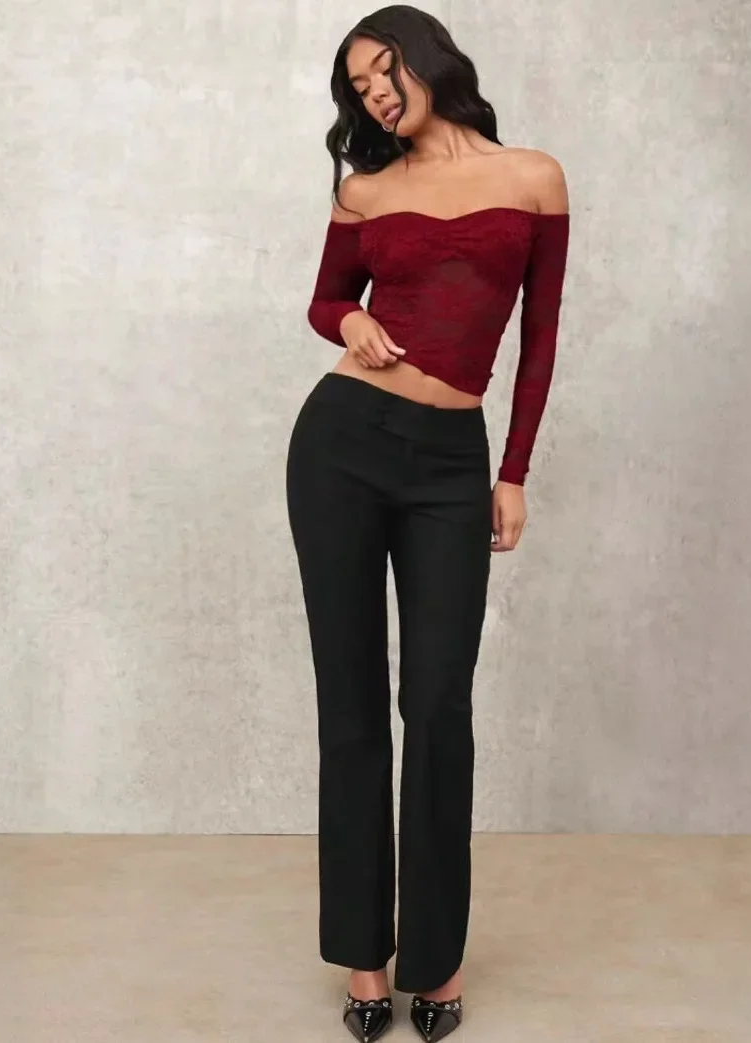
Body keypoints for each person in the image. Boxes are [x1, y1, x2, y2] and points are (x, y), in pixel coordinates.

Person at [285, 6, 569, 1041]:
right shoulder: (365, 189)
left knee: (438, 704)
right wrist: (353, 317)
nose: (373, 94)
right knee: (352, 704)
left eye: (383, 70)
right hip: (341, 446)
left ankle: (436, 957)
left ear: (429, 58)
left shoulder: (532, 177)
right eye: (357, 87)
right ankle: (365, 960)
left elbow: (539, 337)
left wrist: (512, 470)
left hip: (452, 462)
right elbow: (324, 301)